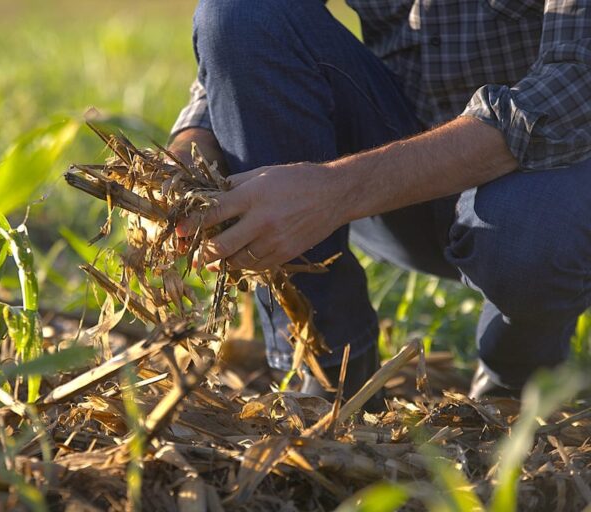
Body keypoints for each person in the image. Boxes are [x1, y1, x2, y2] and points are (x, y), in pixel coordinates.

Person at [167, 0, 591, 402]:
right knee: (242, 13)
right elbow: (248, 30)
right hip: (394, 170)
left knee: (530, 225)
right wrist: (195, 141)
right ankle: (330, 370)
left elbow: (572, 91)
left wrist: (337, 189)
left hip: (547, 179)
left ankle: (516, 377)